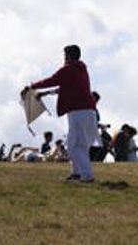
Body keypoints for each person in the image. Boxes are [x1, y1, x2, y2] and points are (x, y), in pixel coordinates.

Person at [26, 44, 99, 183]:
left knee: (74, 145)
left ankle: (86, 175)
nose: (64, 58)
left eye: (65, 55)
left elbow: (53, 80)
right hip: (88, 111)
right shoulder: (81, 70)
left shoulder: (69, 69)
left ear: (69, 56)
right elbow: (65, 87)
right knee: (77, 144)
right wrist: (45, 93)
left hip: (78, 112)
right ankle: (77, 173)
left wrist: (33, 86)